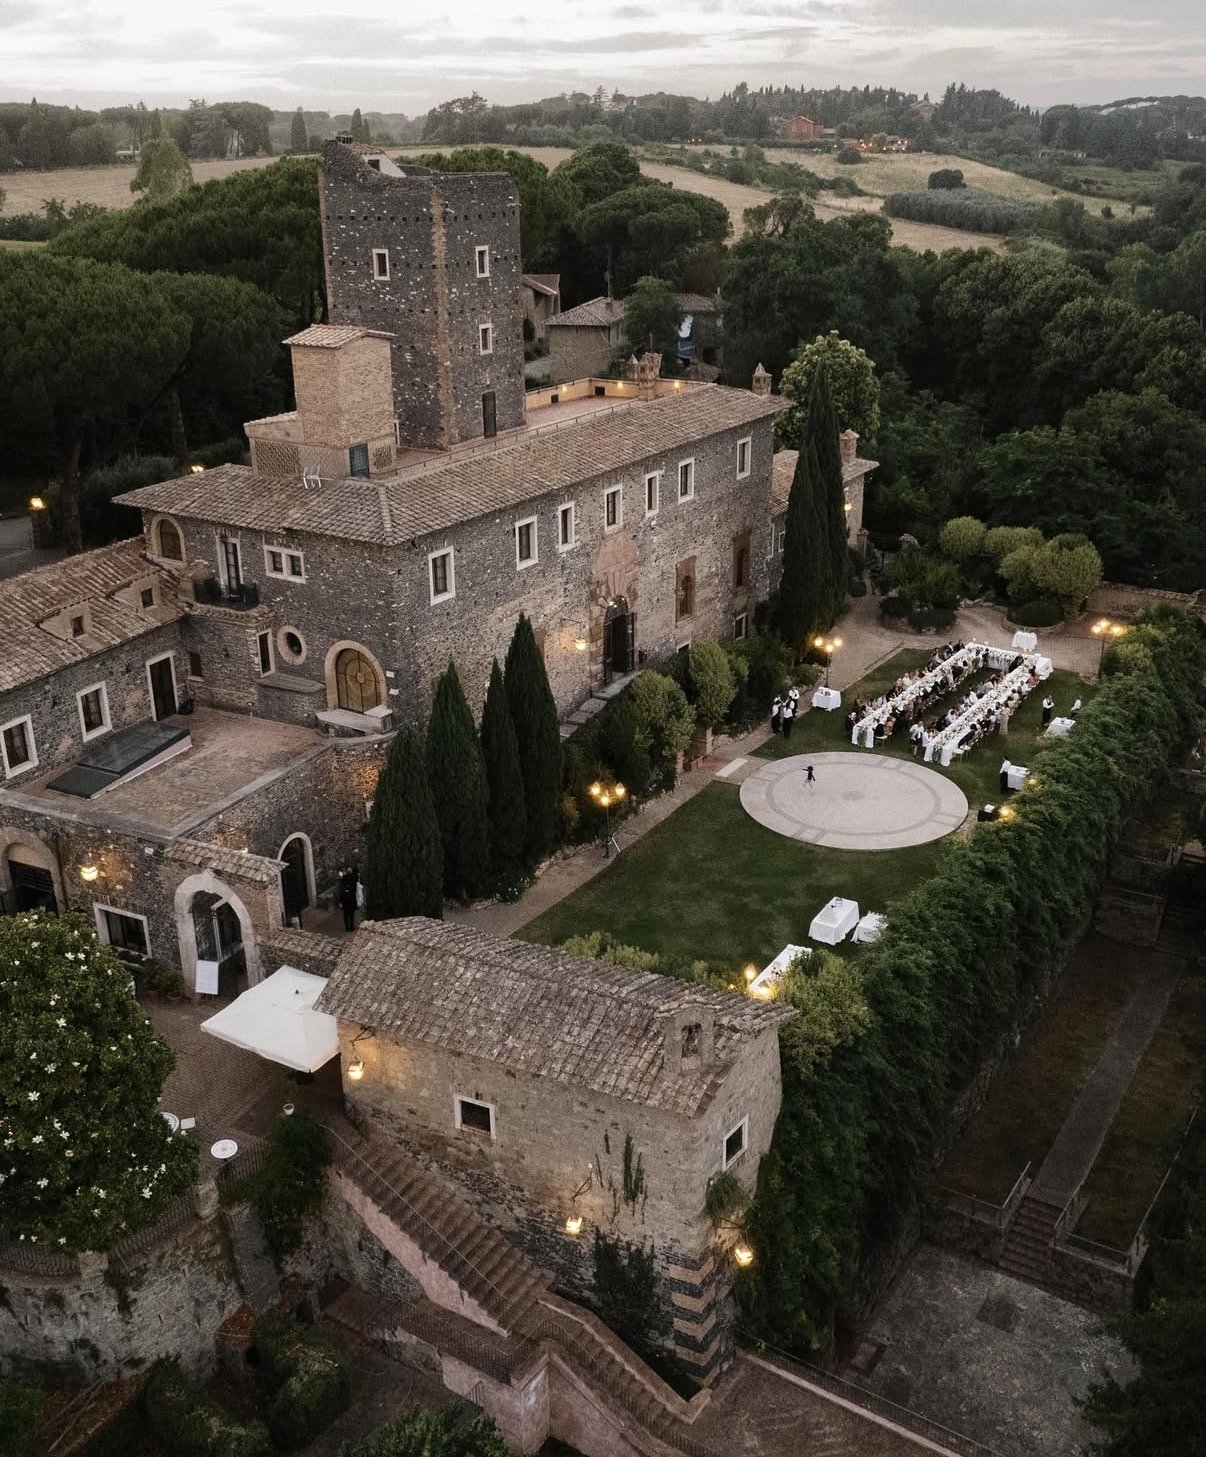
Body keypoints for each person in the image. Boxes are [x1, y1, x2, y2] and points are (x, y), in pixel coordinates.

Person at [337, 865, 359, 933]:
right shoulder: (354, 878)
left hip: (345, 898)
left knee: (345, 914)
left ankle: (347, 927)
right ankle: (351, 927)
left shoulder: (344, 878)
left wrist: (340, 901)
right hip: (351, 898)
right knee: (351, 914)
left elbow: (341, 889)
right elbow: (356, 881)